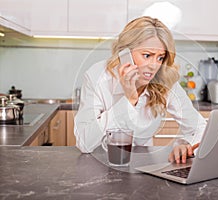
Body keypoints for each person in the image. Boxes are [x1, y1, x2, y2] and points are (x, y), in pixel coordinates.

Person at [74, 16, 207, 164]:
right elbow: (84, 143)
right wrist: (129, 100)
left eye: (160, 58)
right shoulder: (98, 76)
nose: (154, 65)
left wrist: (185, 144)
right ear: (125, 54)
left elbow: (200, 128)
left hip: (144, 165)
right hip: (99, 164)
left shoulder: (164, 79)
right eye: (147, 55)